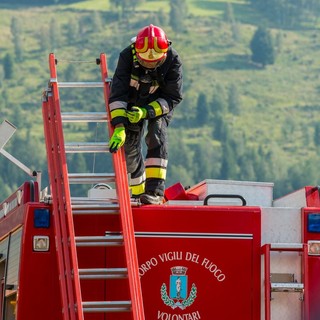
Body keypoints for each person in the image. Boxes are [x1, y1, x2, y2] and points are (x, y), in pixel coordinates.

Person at [108, 24, 183, 205]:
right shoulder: (126, 56)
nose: (149, 64)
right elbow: (117, 93)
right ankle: (138, 190)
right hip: (132, 104)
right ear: (137, 53)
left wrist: (147, 112)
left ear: (163, 54)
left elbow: (173, 97)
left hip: (159, 105)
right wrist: (119, 126)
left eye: (154, 62)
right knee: (129, 146)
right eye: (145, 61)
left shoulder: (173, 60)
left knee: (156, 134)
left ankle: (155, 192)